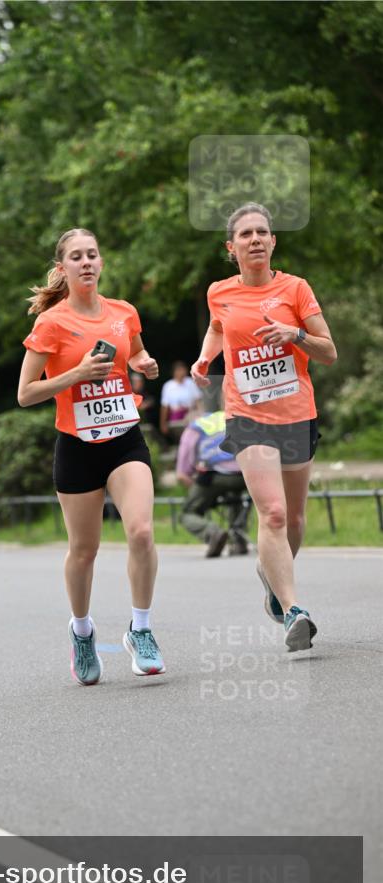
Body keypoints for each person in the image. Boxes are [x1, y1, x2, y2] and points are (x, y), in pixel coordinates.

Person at [17, 228, 164, 685]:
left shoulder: (124, 313)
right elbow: (25, 393)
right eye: (76, 257)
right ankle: (81, 632)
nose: (86, 262)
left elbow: (135, 351)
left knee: (140, 531)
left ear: (101, 264)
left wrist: (143, 363)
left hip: (124, 437)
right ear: (63, 269)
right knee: (85, 550)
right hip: (77, 447)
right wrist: (76, 374)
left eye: (92, 255)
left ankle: (140, 630)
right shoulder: (51, 324)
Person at [190, 202, 337, 650]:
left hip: (296, 414)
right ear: (230, 248)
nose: (254, 239)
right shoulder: (220, 292)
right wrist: (204, 356)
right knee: (271, 513)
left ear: (273, 241)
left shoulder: (296, 289)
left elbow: (328, 351)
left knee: (292, 517)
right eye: (245, 235)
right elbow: (218, 327)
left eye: (262, 232)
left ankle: (270, 577)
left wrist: (295, 336)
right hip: (247, 414)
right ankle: (294, 609)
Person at [176, 409, 250, 557]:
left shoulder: (194, 427)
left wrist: (203, 496)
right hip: (245, 473)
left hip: (214, 475)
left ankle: (213, 533)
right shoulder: (227, 416)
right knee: (236, 496)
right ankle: (239, 539)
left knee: (187, 513)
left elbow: (183, 474)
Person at [160, 360, 202, 444]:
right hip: (175, 419)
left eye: (182, 370)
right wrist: (163, 424)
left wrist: (201, 416)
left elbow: (198, 401)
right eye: (178, 370)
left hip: (190, 416)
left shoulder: (191, 383)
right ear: (174, 372)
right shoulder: (168, 386)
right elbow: (164, 407)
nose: (181, 372)